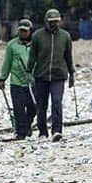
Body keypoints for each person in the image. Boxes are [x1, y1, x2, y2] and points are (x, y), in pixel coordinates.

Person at [26, 8, 74, 142]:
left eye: (56, 21)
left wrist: (72, 74)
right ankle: (42, 132)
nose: (54, 24)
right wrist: (28, 72)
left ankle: (57, 130)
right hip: (41, 75)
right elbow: (32, 57)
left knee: (57, 103)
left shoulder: (65, 36)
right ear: (46, 21)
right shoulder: (37, 36)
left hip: (59, 75)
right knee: (41, 105)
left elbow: (68, 56)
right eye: (51, 22)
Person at [0, 19, 36, 140]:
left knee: (33, 107)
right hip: (16, 82)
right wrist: (2, 78)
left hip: (32, 82)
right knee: (18, 108)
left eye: (25, 31)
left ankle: (27, 125)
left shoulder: (36, 44)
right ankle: (21, 133)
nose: (23, 33)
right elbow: (7, 63)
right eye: (21, 31)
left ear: (30, 31)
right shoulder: (12, 45)